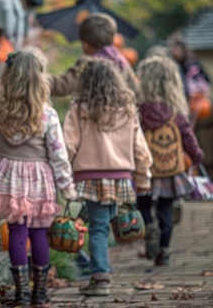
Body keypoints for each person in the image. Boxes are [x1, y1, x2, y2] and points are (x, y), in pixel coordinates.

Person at [0, 47, 77, 307]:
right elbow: (58, 156)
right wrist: (68, 188)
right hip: (40, 177)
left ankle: (20, 292)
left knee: (16, 230)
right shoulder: (48, 115)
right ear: (40, 79)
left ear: (9, 77)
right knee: (39, 232)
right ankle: (39, 293)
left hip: (6, 177)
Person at [62, 60, 152, 296]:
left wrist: (63, 173)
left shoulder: (79, 109)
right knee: (104, 222)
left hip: (91, 177)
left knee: (99, 228)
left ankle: (101, 276)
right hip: (120, 177)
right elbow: (140, 148)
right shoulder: (127, 109)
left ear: (86, 84)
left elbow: (68, 145)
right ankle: (102, 265)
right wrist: (143, 180)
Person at [136, 55, 204, 266]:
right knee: (166, 207)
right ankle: (163, 251)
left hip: (146, 169)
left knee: (143, 203)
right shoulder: (176, 113)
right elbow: (188, 138)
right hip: (170, 169)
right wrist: (197, 156)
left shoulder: (138, 111)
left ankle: (149, 227)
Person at [48, 12, 137, 97]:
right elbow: (134, 89)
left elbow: (63, 86)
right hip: (121, 111)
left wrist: (40, 79)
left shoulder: (87, 62)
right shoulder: (121, 60)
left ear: (85, 45)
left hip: (94, 111)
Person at [167, 32, 211, 102]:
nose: (174, 52)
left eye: (176, 49)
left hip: (194, 101)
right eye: (172, 49)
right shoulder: (172, 64)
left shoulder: (192, 64)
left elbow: (206, 80)